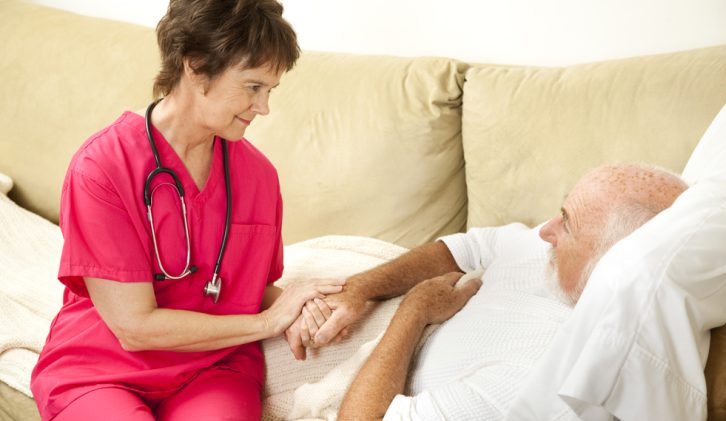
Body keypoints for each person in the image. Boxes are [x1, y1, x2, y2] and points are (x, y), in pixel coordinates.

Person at [30, 1, 344, 420]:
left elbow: (247, 290)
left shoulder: (259, 177)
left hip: (213, 367)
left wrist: (306, 305)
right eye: (253, 87)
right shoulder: (103, 168)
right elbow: (134, 327)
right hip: (102, 369)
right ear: (195, 66)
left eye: (271, 90)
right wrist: (267, 323)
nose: (264, 107)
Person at [288, 163, 688, 419]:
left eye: (566, 224)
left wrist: (415, 311)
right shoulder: (551, 250)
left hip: (342, 360)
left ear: (611, 261)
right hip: (339, 296)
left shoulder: (535, 379)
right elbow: (467, 248)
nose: (545, 231)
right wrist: (359, 288)